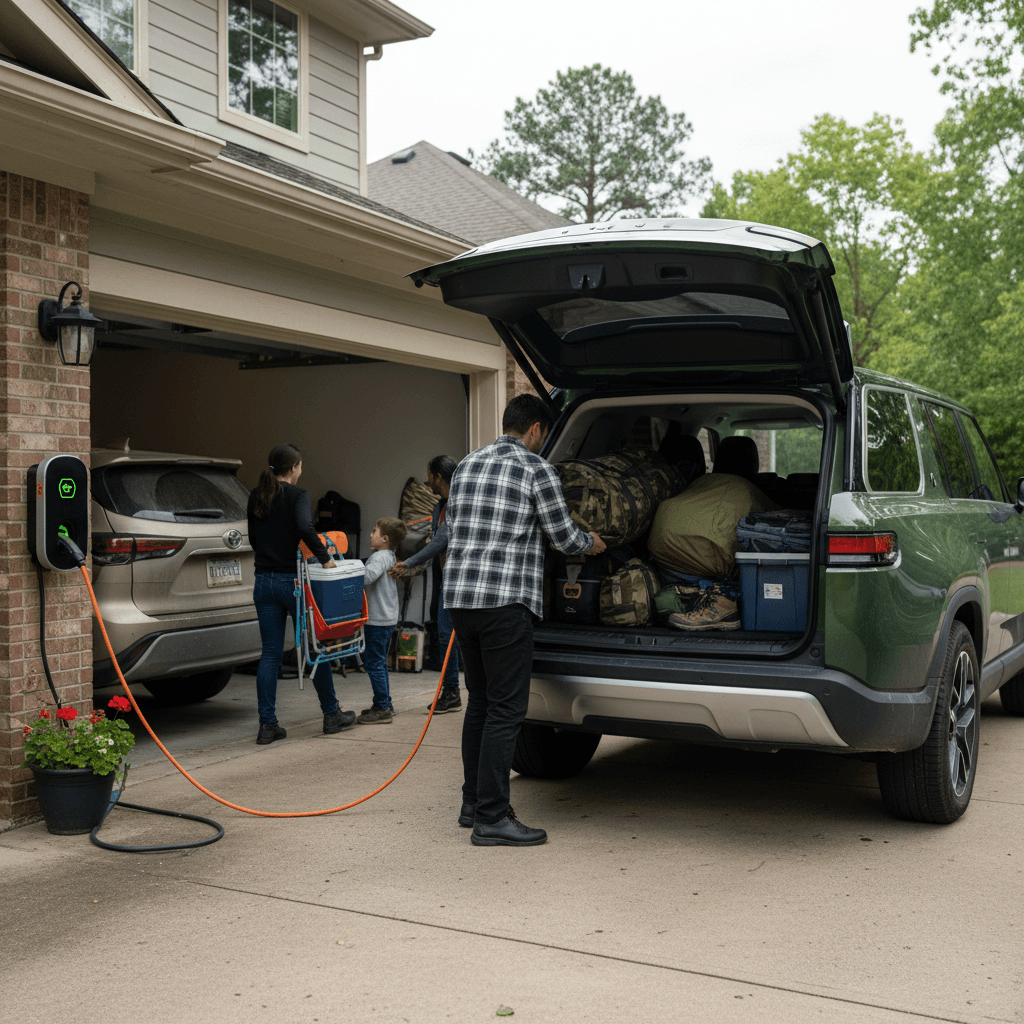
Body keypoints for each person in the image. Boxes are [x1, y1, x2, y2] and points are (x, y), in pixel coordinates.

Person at [445, 393, 607, 846]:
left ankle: (473, 803)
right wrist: (590, 542)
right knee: (506, 709)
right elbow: (562, 536)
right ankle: (494, 817)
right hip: (504, 602)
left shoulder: (467, 464)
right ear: (536, 428)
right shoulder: (536, 469)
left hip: (461, 600)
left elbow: (455, 527)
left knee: (479, 702)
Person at [247, 443, 356, 745]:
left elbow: (254, 537)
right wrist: (327, 559)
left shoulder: (257, 495)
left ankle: (267, 725)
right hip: (290, 583)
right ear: (294, 468)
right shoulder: (298, 495)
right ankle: (331, 714)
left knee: (270, 653)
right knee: (315, 647)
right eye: (300, 466)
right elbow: (305, 527)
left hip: (262, 581)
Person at [389, 455, 461, 714]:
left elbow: (441, 540)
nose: (426, 480)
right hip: (447, 578)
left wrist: (407, 564)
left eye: (429, 475)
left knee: (449, 634)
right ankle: (451, 691)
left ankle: (453, 691)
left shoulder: (457, 502)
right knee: (445, 633)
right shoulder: (439, 505)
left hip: (462, 581)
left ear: (438, 477)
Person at [357, 516, 407, 724]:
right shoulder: (389, 556)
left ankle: (382, 707)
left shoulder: (379, 557)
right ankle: (385, 701)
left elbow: (367, 578)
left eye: (374, 531)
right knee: (378, 663)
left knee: (373, 663)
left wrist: (350, 569)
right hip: (386, 618)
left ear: (384, 538)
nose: (371, 534)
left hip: (378, 620)